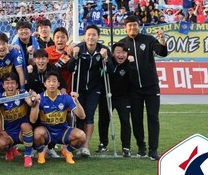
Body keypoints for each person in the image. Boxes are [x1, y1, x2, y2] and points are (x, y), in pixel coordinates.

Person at [118, 15, 168, 160]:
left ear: (138, 26)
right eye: (129, 25)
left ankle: (153, 150)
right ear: (125, 28)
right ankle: (141, 147)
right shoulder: (122, 44)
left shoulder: (149, 40)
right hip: (133, 89)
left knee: (153, 117)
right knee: (136, 119)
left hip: (151, 87)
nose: (132, 28)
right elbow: (116, 61)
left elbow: (162, 52)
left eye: (135, 25)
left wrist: (162, 39)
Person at [67, 24, 109, 157]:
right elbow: (70, 68)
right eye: (88, 35)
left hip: (94, 89)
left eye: (94, 35)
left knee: (89, 115)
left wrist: (105, 58)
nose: (91, 37)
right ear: (84, 36)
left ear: (98, 37)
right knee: (80, 116)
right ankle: (78, 143)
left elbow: (110, 70)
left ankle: (85, 146)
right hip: (79, 89)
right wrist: (74, 56)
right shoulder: (79, 48)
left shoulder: (103, 49)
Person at [30, 72, 86, 165]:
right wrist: (36, 104)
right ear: (45, 84)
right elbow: (32, 120)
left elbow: (82, 116)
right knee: (37, 133)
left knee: (81, 136)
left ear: (58, 84)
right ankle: (41, 152)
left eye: (54, 81)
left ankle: (67, 151)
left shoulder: (66, 98)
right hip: (47, 131)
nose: (51, 84)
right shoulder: (40, 97)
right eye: (49, 81)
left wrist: (76, 101)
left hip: (62, 131)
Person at [0, 72, 35, 166]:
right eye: (7, 83)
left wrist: (33, 98)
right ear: (3, 85)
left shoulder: (23, 94)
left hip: (22, 131)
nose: (10, 86)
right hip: (9, 132)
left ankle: (27, 156)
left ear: (17, 85)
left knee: (26, 126)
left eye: (12, 83)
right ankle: (9, 149)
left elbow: (31, 104)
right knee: (0, 144)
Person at [97, 43, 134, 158]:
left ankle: (126, 147)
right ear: (113, 53)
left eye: (123, 52)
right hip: (107, 95)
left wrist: (132, 64)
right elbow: (107, 71)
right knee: (104, 120)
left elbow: (134, 79)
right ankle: (103, 143)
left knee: (125, 120)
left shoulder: (129, 64)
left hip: (124, 98)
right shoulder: (107, 61)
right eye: (118, 52)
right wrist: (104, 59)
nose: (121, 55)